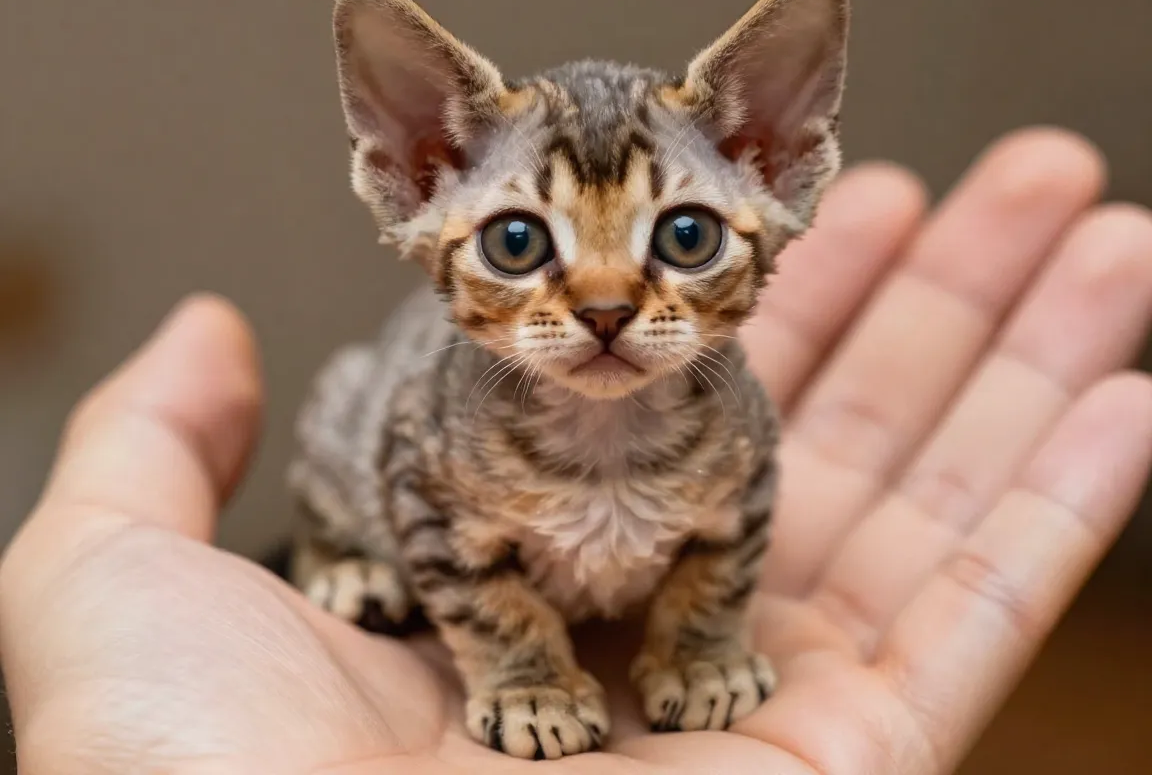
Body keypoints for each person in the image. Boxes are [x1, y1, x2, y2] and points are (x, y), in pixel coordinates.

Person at [2, 127, 1151, 775]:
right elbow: (417, 495)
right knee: (356, 401)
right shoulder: (456, 431)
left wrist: (700, 637)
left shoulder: (729, 419)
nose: (604, 299)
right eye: (520, 239)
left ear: (784, 163)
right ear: (414, 180)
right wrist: (515, 667)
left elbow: (738, 512)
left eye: (683, 234)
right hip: (445, 560)